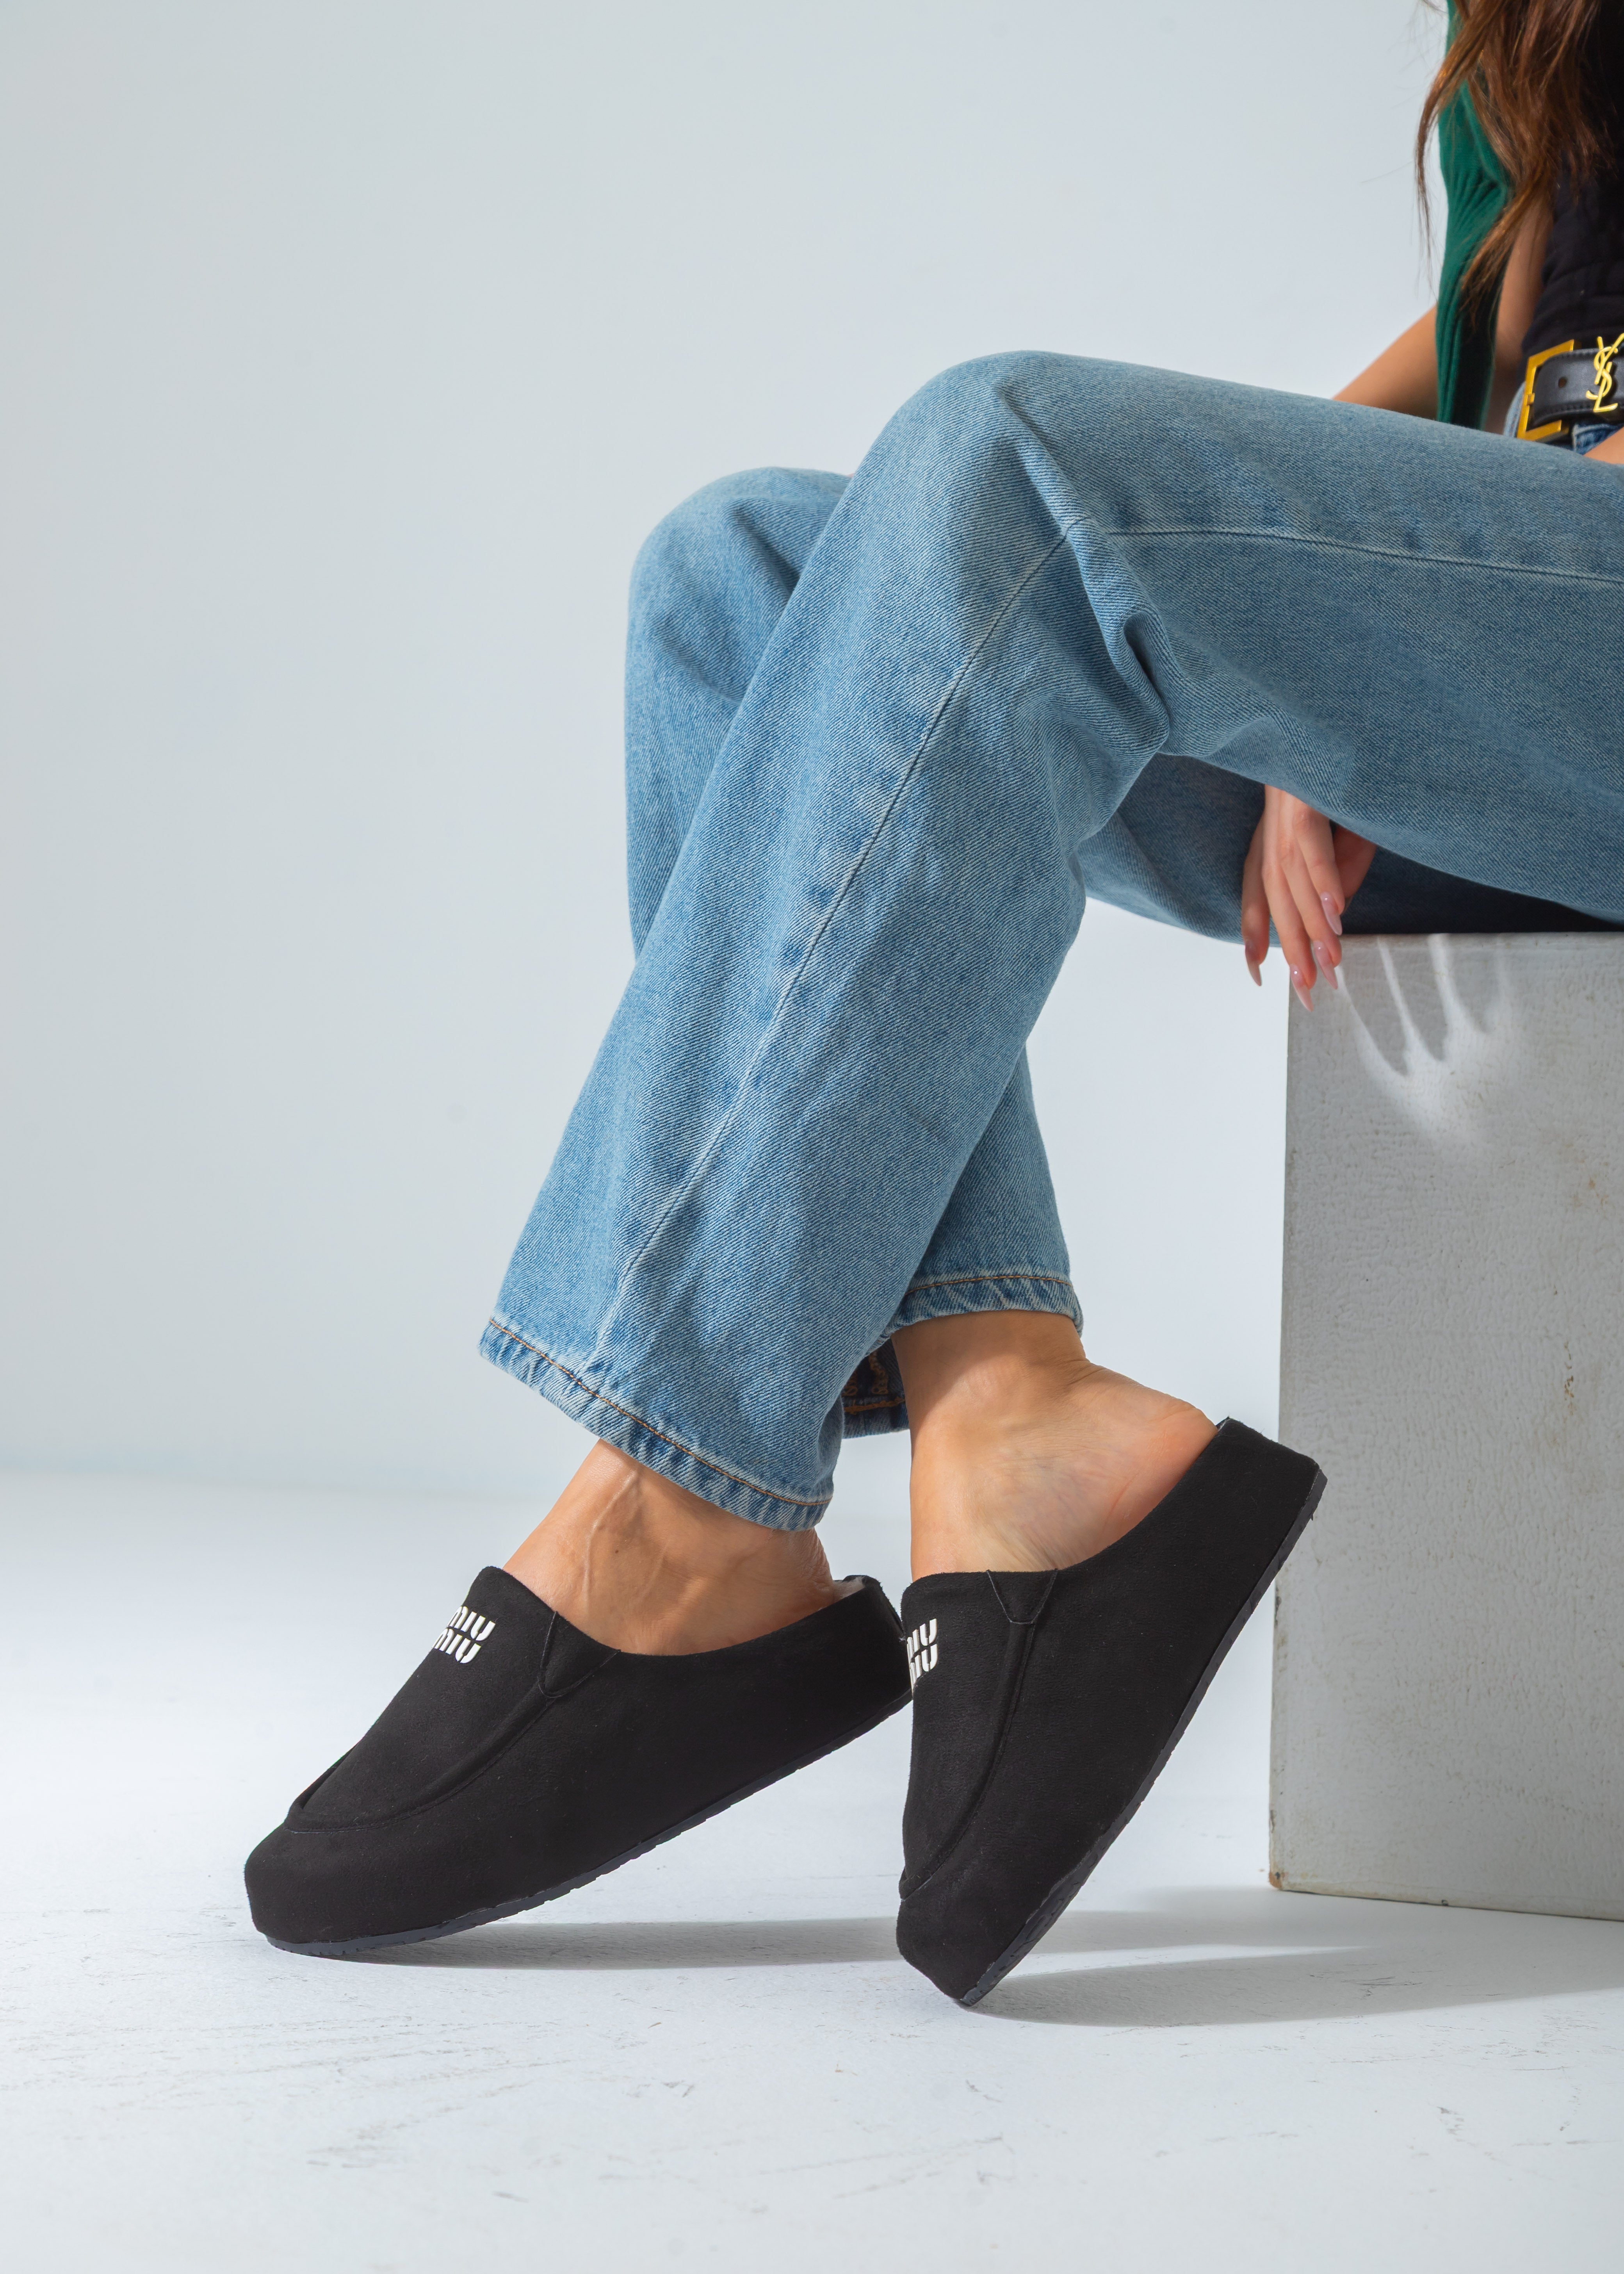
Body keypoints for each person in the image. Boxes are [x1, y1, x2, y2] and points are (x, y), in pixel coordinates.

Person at [246, 0, 1624, 2002]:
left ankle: (672, 1506)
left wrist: (1340, 637)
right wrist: (1320, 632)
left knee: (1008, 453)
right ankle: (1010, 1428)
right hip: (1506, 686)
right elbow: (1491, 328)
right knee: (744, 583)